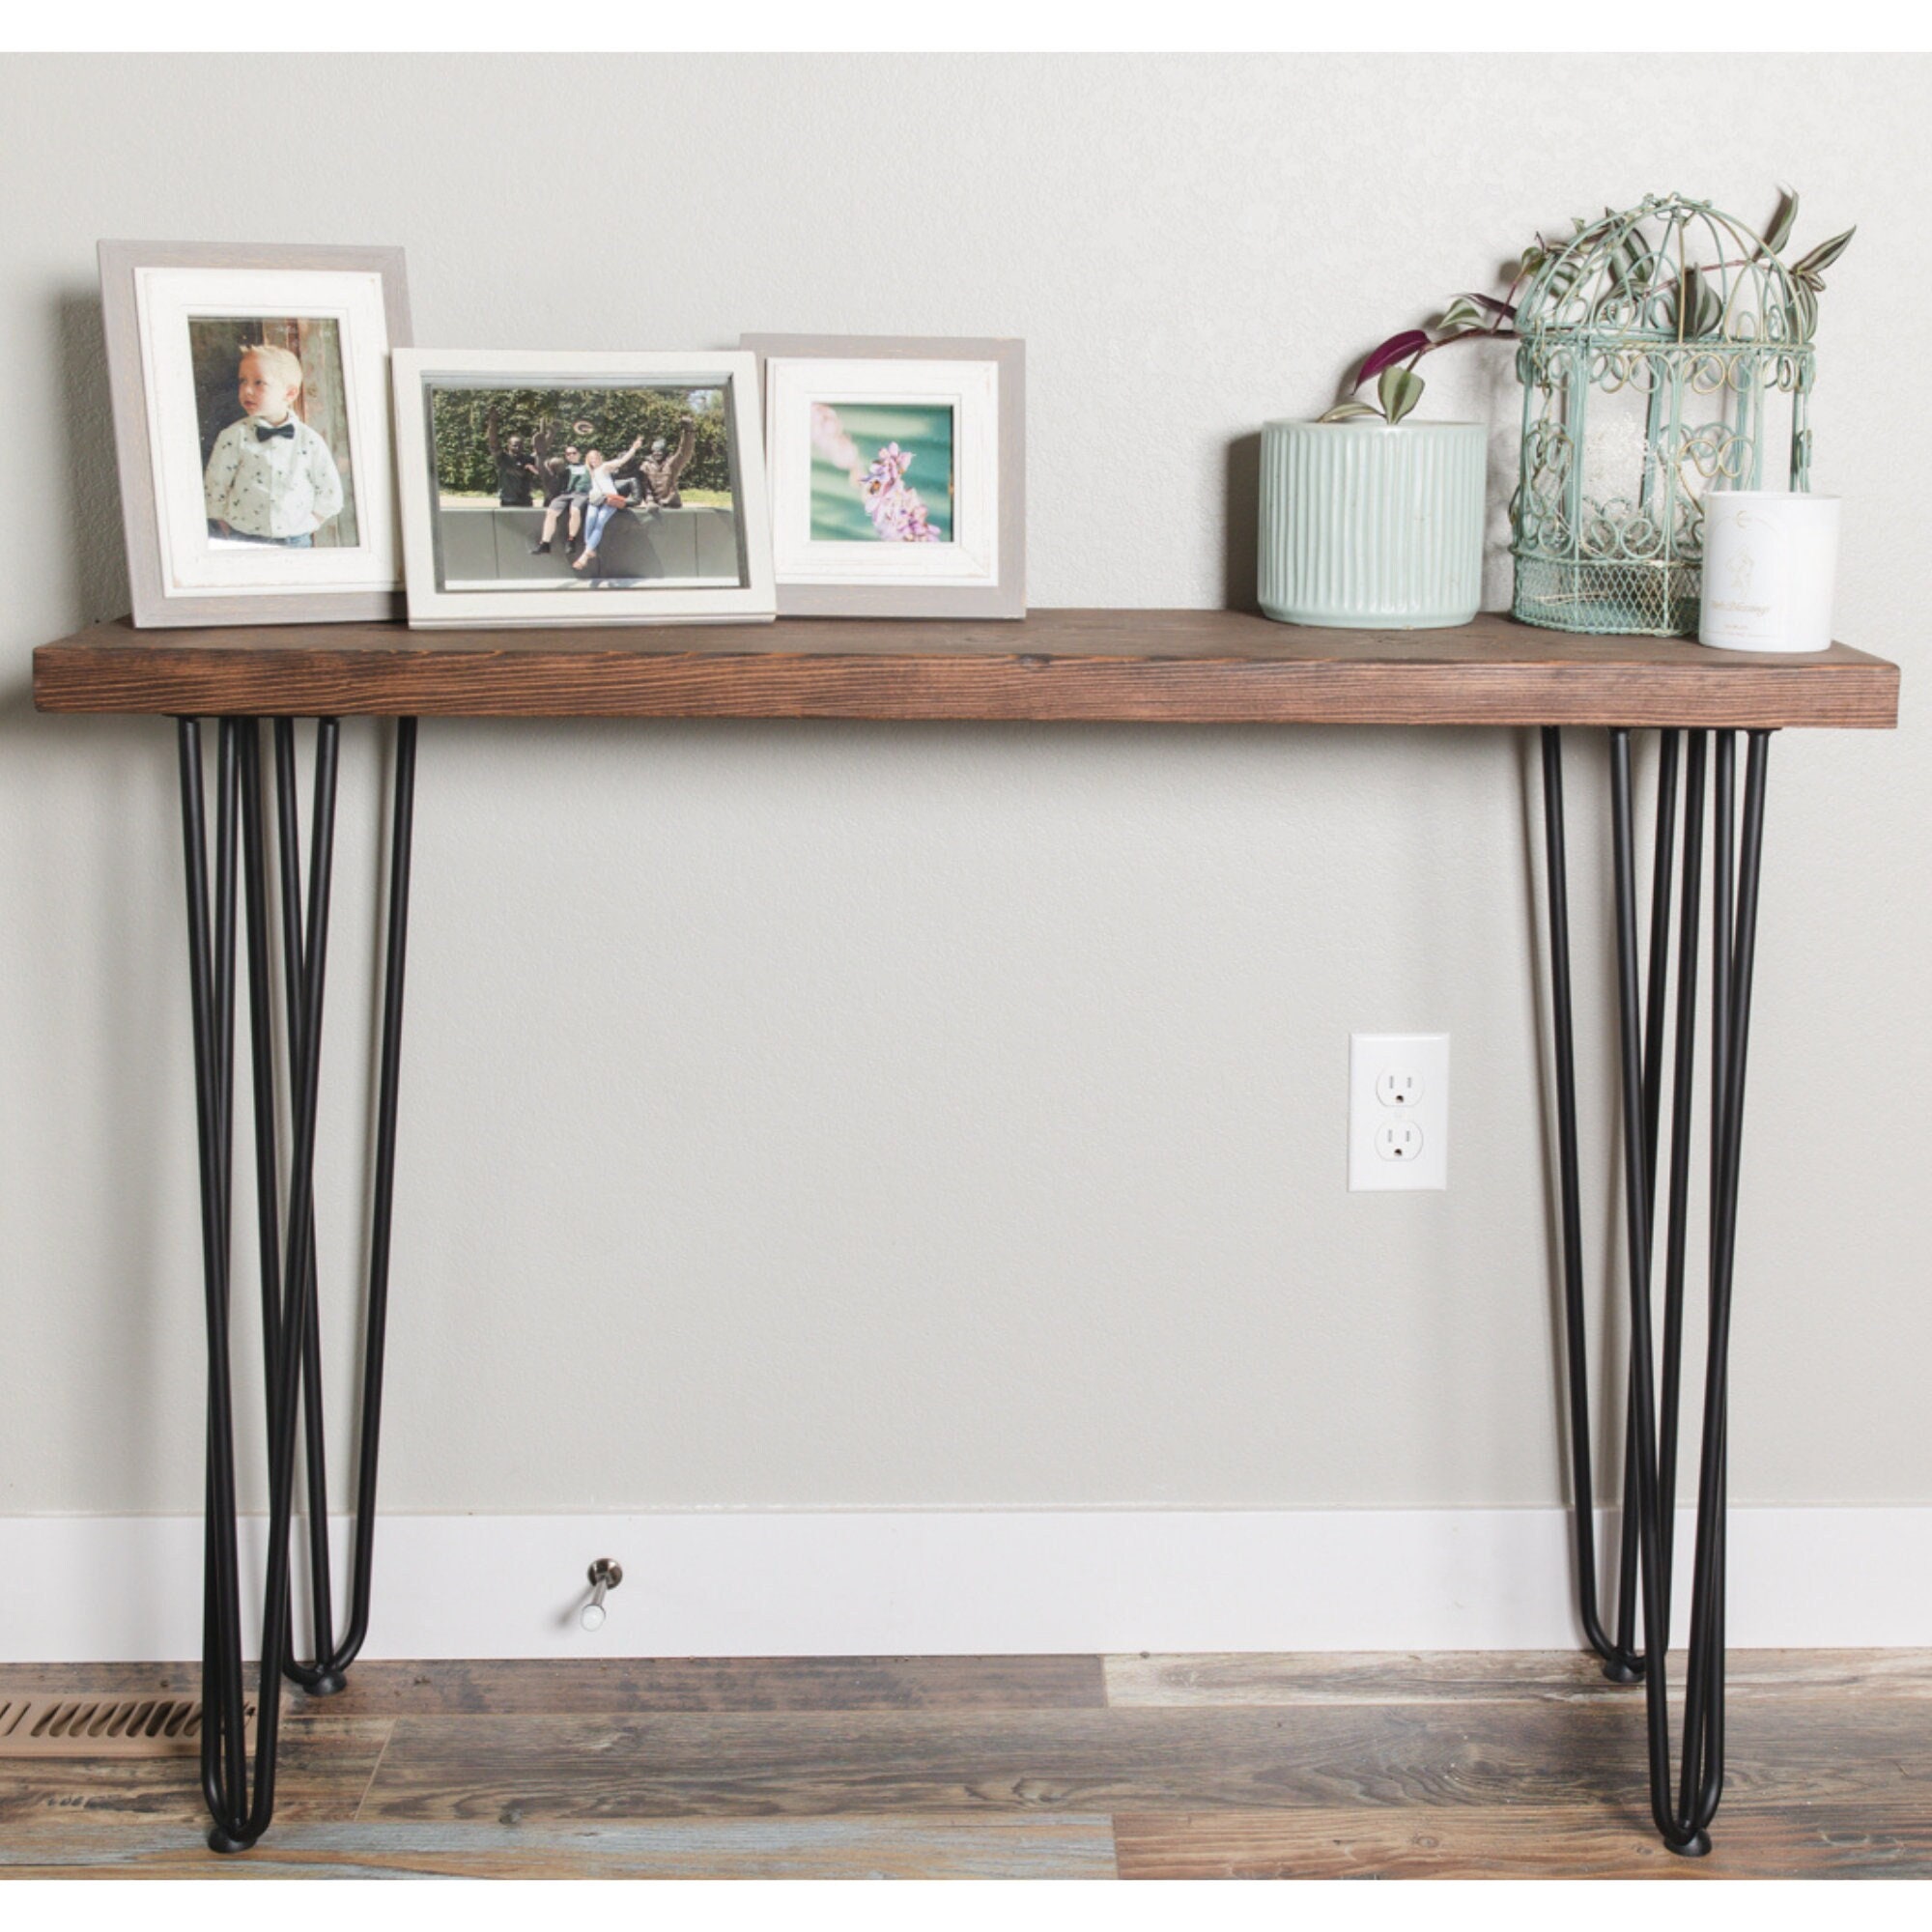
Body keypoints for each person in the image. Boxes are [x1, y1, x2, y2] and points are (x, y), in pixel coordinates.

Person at [203, 343, 344, 547]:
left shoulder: (309, 441)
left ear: (289, 394)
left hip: (295, 540)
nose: (247, 390)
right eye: (243, 381)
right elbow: (216, 483)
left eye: (259, 382)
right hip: (243, 537)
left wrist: (311, 521)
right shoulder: (233, 436)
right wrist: (224, 523)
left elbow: (329, 489)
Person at [573, 445, 643, 572]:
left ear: (600, 458)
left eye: (595, 458)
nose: (593, 460)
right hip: (595, 500)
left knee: (599, 523)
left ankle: (585, 555)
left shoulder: (604, 467)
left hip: (609, 500)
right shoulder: (589, 471)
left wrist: (633, 448)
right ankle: (590, 549)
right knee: (590, 520)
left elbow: (621, 461)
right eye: (591, 458)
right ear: (588, 460)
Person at [529, 420, 595, 554]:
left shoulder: (588, 467)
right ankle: (545, 543)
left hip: (581, 494)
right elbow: (546, 471)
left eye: (574, 452)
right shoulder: (565, 468)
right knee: (551, 512)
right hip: (565, 494)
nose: (571, 455)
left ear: (579, 454)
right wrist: (540, 454)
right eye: (568, 454)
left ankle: (571, 540)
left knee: (575, 510)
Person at [620, 414, 696, 508]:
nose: (657, 454)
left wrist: (688, 431)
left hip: (672, 505)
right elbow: (645, 485)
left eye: (660, 451)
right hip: (654, 506)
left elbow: (684, 452)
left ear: (665, 452)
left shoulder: (672, 464)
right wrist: (650, 501)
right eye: (655, 451)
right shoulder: (646, 466)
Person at [486, 403, 539, 507]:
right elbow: (493, 442)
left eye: (520, 445)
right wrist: (492, 421)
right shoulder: (503, 458)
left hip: (525, 500)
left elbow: (541, 450)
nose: (517, 448)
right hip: (508, 499)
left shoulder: (527, 459)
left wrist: (551, 433)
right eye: (515, 445)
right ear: (508, 446)